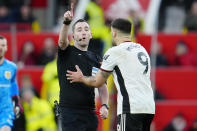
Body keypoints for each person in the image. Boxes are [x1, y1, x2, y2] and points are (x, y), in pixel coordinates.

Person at [66, 18, 155, 131]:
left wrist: (81, 78)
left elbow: (97, 81)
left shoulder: (114, 52)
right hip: (148, 107)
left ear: (114, 33)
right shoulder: (141, 49)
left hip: (131, 108)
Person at [57, 3, 109, 131]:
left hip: (90, 112)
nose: (83, 32)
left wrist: (104, 105)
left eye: (86, 29)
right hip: (69, 112)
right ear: (73, 36)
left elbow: (102, 85)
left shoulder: (96, 58)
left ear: (91, 34)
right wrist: (66, 23)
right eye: (79, 30)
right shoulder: (67, 52)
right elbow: (62, 41)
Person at [0, 36, 23, 131]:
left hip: (6, 109)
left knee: (5, 129)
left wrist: (17, 103)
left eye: (3, 45)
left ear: (6, 47)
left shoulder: (12, 67)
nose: (0, 48)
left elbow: (13, 85)